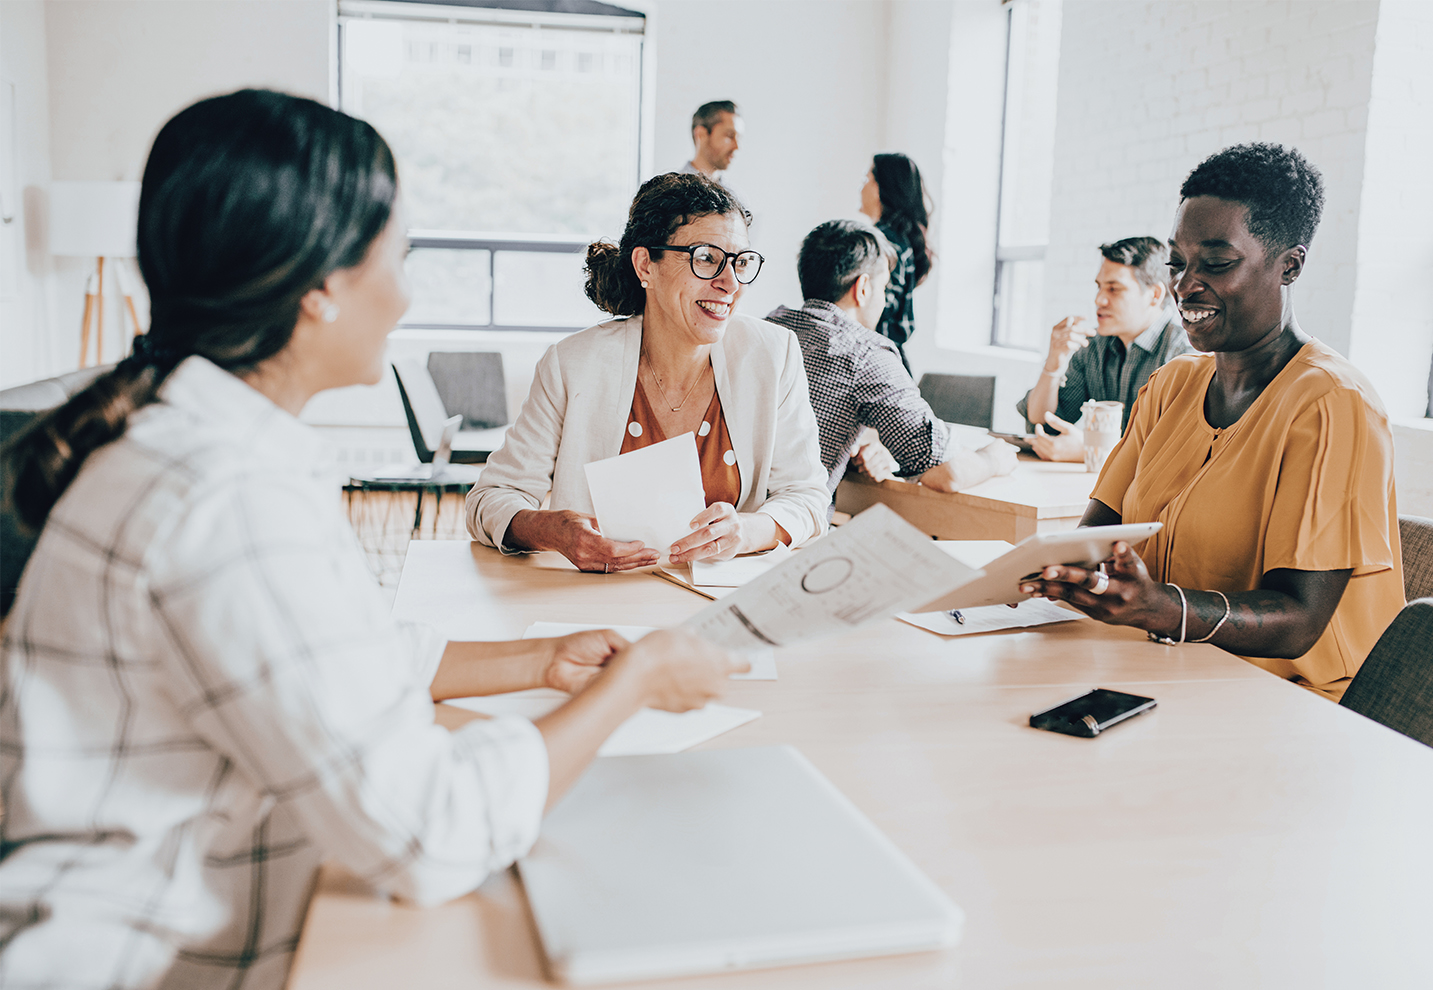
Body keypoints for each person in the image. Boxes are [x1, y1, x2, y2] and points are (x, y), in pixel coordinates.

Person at [0, 90, 741, 990]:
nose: (406, 292)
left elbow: (332, 653)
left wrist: (543, 659)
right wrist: (638, 681)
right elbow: (431, 833)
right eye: (399, 256)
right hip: (139, 960)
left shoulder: (203, 447)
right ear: (317, 287)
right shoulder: (224, 500)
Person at [1018, 143, 1404, 703]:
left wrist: (1159, 606)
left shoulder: (1331, 403)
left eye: (1216, 264)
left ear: (1289, 265)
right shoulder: (1171, 386)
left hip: (1292, 701)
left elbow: (1299, 620)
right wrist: (1050, 574)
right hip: (1166, 667)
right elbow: (1097, 537)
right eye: (1178, 263)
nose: (1184, 284)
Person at [467, 172, 829, 572]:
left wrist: (749, 530)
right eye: (707, 258)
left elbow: (808, 497)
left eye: (741, 262)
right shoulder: (573, 364)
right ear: (646, 266)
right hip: (599, 605)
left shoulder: (772, 355)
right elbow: (491, 498)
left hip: (720, 610)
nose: (730, 283)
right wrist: (550, 530)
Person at [766, 219, 1017, 499]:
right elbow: (947, 473)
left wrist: (869, 440)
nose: (884, 301)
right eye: (883, 287)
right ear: (862, 288)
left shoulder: (768, 328)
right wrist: (993, 458)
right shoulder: (865, 354)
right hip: (789, 534)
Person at [1016, 236, 1192, 462]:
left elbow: (1180, 450)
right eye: (1099, 287)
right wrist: (1054, 363)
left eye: (1114, 289)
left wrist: (1092, 450)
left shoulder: (1185, 353)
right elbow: (1043, 427)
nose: (1099, 300)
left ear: (1154, 295)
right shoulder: (1095, 346)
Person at [859, 152, 933, 373]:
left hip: (876, 364)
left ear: (880, 188)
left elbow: (871, 315)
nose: (861, 188)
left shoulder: (882, 242)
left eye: (866, 179)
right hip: (890, 363)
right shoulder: (894, 239)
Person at [678, 99, 742, 183]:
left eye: (738, 138)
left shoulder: (734, 194)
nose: (736, 147)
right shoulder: (670, 192)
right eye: (729, 136)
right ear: (701, 134)